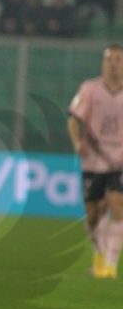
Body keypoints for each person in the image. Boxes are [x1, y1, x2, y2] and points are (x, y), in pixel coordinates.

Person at [67, 44, 123, 280]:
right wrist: (77, 142)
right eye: (110, 59)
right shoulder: (89, 89)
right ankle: (99, 254)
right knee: (93, 213)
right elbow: (73, 118)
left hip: (119, 160)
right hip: (93, 160)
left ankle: (111, 264)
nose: (114, 64)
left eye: (118, 59)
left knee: (116, 204)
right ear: (103, 63)